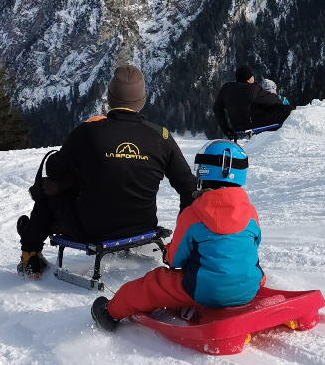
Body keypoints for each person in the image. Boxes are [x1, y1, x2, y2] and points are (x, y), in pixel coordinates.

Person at [17, 65, 198, 278]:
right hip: (143, 225)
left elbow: (55, 169)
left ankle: (30, 253)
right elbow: (188, 187)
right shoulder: (162, 136)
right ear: (142, 100)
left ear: (110, 98)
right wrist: (185, 237)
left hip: (93, 231)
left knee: (48, 194)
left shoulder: (87, 132)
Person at [90, 140, 264, 331]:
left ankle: (110, 312)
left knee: (153, 284)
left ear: (202, 172)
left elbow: (176, 260)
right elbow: (252, 245)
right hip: (250, 287)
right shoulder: (251, 212)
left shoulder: (193, 213)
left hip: (205, 290)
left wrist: (167, 253)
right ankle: (241, 285)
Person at [212, 65, 293, 139]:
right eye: (252, 76)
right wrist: (281, 101)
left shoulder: (226, 89)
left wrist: (227, 130)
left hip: (236, 126)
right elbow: (273, 100)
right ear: (249, 79)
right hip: (253, 124)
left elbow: (217, 109)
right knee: (287, 109)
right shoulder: (253, 89)